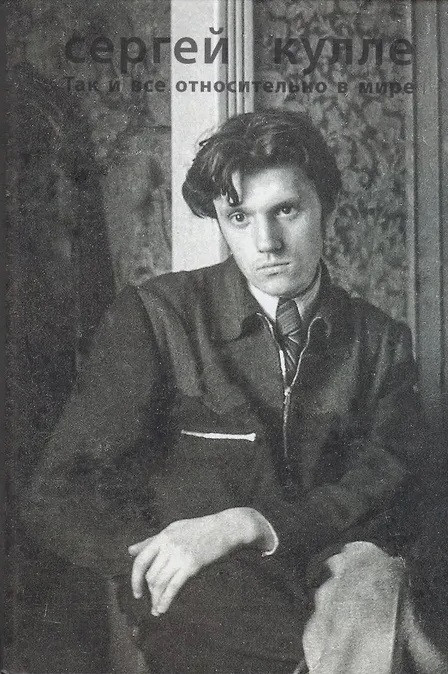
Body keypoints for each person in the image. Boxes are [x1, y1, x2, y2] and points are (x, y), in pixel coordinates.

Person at [25, 109, 443, 674]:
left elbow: (396, 490)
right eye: (239, 217)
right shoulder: (157, 317)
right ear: (219, 222)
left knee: (376, 582)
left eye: (286, 210)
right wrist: (155, 554)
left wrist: (255, 523)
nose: (266, 242)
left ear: (327, 206)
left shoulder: (380, 342)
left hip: (338, 593)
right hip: (206, 601)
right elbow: (58, 493)